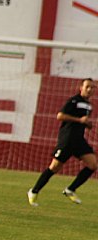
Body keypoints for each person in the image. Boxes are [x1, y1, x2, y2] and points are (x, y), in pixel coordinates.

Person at [28, 78, 97, 206]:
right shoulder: (73, 100)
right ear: (81, 88)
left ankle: (70, 189)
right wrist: (79, 120)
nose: (90, 89)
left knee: (93, 164)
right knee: (54, 167)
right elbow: (60, 116)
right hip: (67, 139)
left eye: (92, 87)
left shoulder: (88, 105)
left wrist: (87, 124)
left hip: (79, 140)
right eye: (87, 86)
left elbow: (82, 121)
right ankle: (34, 191)